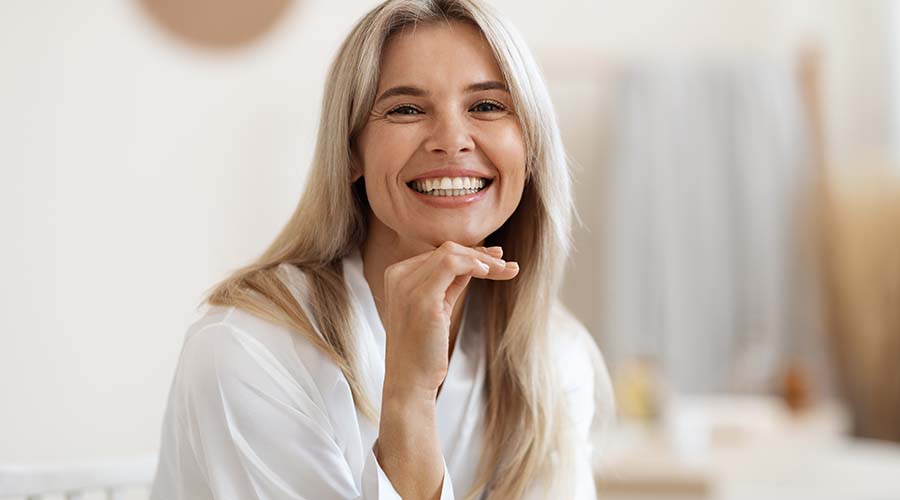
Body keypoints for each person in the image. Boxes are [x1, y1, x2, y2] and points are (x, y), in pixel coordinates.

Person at [149, 0, 614, 498]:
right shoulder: (249, 352)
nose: (452, 140)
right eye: (406, 109)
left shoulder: (551, 356)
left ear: (530, 146)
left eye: (487, 106)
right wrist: (409, 399)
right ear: (351, 152)